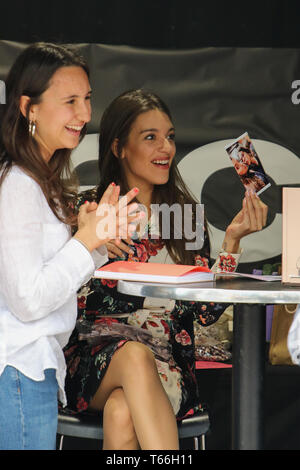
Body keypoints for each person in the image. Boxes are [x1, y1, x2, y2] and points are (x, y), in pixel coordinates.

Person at [64, 89, 268, 450]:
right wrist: (90, 246)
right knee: (134, 356)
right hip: (93, 363)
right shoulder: (91, 210)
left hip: (167, 365)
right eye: (150, 137)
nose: (166, 148)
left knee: (120, 412)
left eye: (170, 137)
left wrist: (232, 242)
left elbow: (204, 314)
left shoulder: (186, 216)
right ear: (118, 148)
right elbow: (60, 293)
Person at [0, 44, 142, 450]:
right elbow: (28, 300)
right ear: (29, 108)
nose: (84, 115)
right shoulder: (18, 185)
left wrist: (97, 244)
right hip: (18, 371)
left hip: (30, 371)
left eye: (87, 99)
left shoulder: (35, 179)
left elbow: (48, 280)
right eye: (70, 101)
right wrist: (86, 240)